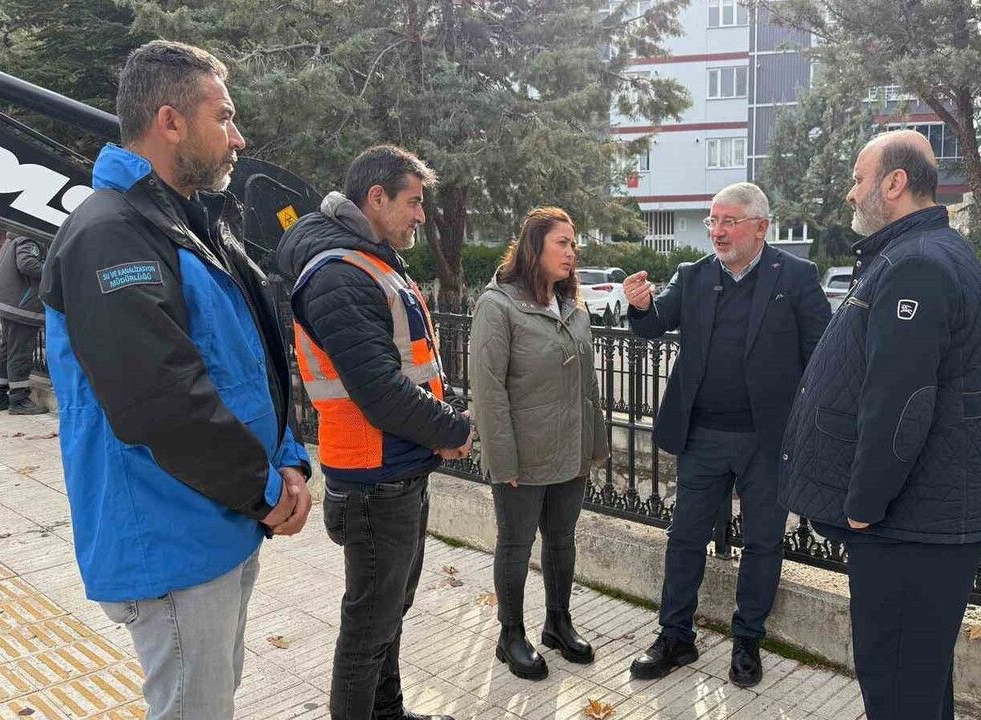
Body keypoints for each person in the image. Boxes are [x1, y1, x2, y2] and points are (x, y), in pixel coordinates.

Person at [39, 41, 312, 719]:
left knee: (211, 698)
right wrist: (266, 486)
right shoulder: (110, 234)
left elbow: (251, 360)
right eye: (224, 117)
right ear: (170, 122)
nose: (238, 137)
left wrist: (290, 459)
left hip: (223, 523)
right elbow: (162, 401)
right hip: (171, 542)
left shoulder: (189, 222)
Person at [778, 130, 981, 720]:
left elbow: (901, 402)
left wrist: (863, 505)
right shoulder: (914, 254)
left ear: (894, 183)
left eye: (858, 180)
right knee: (918, 686)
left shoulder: (918, 265)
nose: (851, 194)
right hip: (920, 523)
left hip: (909, 528)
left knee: (899, 687)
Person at [275, 144, 470, 720]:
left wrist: (440, 414)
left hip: (397, 468)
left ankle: (389, 712)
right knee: (368, 629)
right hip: (372, 475)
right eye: (412, 203)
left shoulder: (369, 259)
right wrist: (452, 427)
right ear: (375, 197)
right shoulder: (338, 272)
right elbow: (380, 390)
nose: (420, 216)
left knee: (389, 613)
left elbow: (410, 364)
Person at [622, 182, 832, 687]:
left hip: (767, 442)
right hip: (702, 438)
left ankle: (748, 641)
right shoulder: (692, 276)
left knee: (762, 543)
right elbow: (653, 325)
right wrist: (641, 304)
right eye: (713, 221)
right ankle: (676, 637)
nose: (717, 231)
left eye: (728, 221)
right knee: (685, 538)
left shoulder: (797, 277)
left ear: (760, 226)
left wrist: (810, 427)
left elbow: (822, 357)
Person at [468, 207, 610, 681]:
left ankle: (558, 622)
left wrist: (594, 443)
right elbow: (488, 391)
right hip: (522, 459)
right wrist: (502, 459)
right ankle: (510, 635)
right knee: (515, 544)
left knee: (562, 540)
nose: (572, 253)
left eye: (574, 244)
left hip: (570, 452)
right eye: (562, 244)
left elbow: (587, 386)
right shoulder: (499, 304)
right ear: (534, 247)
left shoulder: (571, 304)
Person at [0, 231, 48, 414]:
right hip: (21, 306)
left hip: (10, 303)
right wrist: (53, 272)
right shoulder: (30, 237)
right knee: (20, 351)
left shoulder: (15, 236)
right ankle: (18, 399)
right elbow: (27, 264)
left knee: (7, 349)